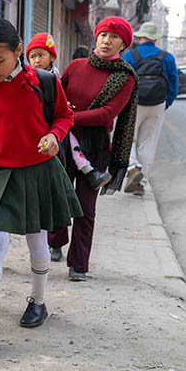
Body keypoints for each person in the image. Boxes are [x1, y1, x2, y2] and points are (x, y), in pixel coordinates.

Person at [0, 18, 82, 348]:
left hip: (38, 172)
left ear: (19, 51)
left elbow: (64, 116)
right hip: (0, 173)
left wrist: (53, 135)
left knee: (37, 240)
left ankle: (39, 301)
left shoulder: (43, 82)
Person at [47, 17, 139, 281]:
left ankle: (79, 264)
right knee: (58, 197)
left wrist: (69, 117)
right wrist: (60, 121)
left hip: (96, 146)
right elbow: (57, 98)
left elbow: (106, 114)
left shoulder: (125, 77)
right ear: (95, 37)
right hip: (63, 142)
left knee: (86, 207)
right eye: (103, 35)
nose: (107, 41)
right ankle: (56, 241)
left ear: (123, 43)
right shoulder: (75, 67)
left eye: (114, 37)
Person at [27, 33, 111, 209]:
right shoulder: (28, 78)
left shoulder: (53, 77)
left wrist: (65, 107)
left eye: (41, 55)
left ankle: (87, 169)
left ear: (52, 57)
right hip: (39, 127)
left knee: (70, 141)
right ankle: (88, 169)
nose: (36, 60)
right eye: (32, 56)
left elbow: (60, 100)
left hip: (55, 127)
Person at [121, 21, 178, 197]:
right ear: (155, 39)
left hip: (133, 103)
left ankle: (132, 167)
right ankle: (141, 183)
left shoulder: (130, 55)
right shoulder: (166, 57)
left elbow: (121, 81)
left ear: (140, 37)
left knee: (127, 138)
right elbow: (174, 84)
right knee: (148, 143)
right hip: (157, 104)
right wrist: (165, 103)